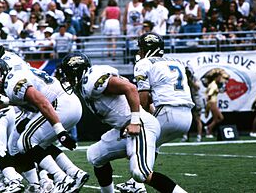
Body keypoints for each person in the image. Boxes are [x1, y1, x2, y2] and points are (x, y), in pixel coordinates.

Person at [59, 51, 187, 193]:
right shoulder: (85, 84)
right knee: (95, 155)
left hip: (139, 126)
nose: (67, 78)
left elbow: (130, 88)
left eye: (69, 74)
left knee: (140, 173)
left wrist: (135, 121)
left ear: (77, 70)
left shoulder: (92, 78)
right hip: (127, 127)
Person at [0, 58, 89, 192]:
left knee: (26, 141)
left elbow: (42, 102)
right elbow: (30, 103)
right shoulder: (11, 79)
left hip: (59, 105)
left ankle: (62, 179)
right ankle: (70, 174)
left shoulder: (12, 83)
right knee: (15, 145)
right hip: (59, 104)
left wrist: (60, 131)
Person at [117, 32, 194, 192]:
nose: (139, 52)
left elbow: (143, 99)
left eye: (141, 48)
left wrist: (139, 120)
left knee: (135, 140)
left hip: (167, 111)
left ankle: (137, 183)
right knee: (153, 145)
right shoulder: (177, 61)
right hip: (187, 115)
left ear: (146, 49)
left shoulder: (144, 63)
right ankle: (135, 183)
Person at [202, 68, 229, 138]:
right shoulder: (213, 85)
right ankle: (208, 128)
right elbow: (209, 94)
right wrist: (208, 105)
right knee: (220, 118)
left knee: (216, 119)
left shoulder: (213, 84)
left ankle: (209, 131)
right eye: (220, 77)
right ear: (216, 77)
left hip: (213, 103)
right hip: (212, 103)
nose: (220, 79)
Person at [181, 66, 203, 142]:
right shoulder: (183, 79)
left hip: (196, 101)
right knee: (186, 120)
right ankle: (185, 136)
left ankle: (199, 136)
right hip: (188, 100)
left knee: (198, 119)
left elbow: (197, 87)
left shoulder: (195, 78)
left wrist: (190, 81)